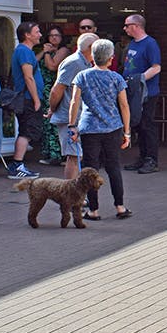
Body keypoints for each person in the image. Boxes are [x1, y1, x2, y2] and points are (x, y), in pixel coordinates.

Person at [68, 38, 133, 219]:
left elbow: (75, 102)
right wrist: (127, 132)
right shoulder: (116, 78)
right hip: (113, 127)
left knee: (90, 169)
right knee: (113, 167)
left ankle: (93, 210)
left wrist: (72, 126)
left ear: (93, 57)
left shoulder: (82, 76)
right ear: (111, 58)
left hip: (89, 128)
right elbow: (124, 105)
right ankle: (120, 206)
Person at [47, 32, 97, 180]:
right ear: (90, 47)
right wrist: (53, 109)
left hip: (78, 116)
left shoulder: (84, 63)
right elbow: (57, 90)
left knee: (77, 156)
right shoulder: (74, 62)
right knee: (74, 156)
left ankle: (74, 194)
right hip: (70, 118)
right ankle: (70, 195)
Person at [122, 13, 162, 174]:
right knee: (138, 125)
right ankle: (143, 157)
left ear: (136, 26)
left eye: (127, 25)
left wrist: (139, 80)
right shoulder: (133, 44)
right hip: (134, 91)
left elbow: (156, 67)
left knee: (147, 125)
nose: (125, 28)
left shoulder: (150, 44)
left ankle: (151, 160)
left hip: (147, 92)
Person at [8, 21, 46, 179]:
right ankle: (17, 165)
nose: (40, 35)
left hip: (28, 97)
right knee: (27, 131)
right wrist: (36, 99)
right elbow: (28, 76)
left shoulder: (25, 51)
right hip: (28, 98)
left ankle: (18, 164)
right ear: (27, 35)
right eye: (37, 32)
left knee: (27, 130)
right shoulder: (24, 51)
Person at [35, 26, 66, 166]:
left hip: (54, 89)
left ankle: (57, 154)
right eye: (51, 35)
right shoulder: (45, 50)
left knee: (53, 120)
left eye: (57, 35)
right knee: (46, 123)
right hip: (43, 89)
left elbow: (52, 66)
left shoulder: (63, 51)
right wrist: (44, 51)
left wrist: (47, 54)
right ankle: (48, 152)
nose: (54, 38)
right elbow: (34, 62)